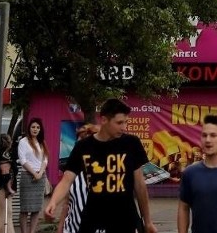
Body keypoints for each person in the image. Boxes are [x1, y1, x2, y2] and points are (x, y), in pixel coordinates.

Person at [45, 98, 157, 233]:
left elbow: (140, 185)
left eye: (126, 122)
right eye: (119, 123)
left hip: (125, 220)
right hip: (93, 220)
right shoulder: (83, 147)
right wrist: (53, 202)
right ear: (104, 120)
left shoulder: (131, 143)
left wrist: (148, 221)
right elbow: (66, 180)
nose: (124, 127)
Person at [58, 123, 100, 233]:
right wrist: (60, 228)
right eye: (78, 143)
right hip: (72, 228)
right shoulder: (70, 172)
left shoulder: (105, 171)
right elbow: (67, 204)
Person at [18, 117, 49, 233]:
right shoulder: (23, 141)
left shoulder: (42, 143)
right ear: (29, 128)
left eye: (38, 127)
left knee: (36, 209)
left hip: (40, 177)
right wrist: (34, 173)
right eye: (33, 127)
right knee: (25, 209)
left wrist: (40, 173)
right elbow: (23, 160)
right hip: (27, 176)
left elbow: (45, 160)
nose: (35, 129)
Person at [0, 134, 17, 233]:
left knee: (2, 215)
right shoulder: (5, 155)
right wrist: (9, 189)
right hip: (3, 190)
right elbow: (6, 173)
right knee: (4, 215)